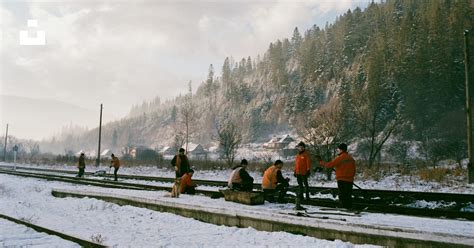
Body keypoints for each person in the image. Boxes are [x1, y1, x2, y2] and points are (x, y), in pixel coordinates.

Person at [318, 143, 356, 209]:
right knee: (348, 195)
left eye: (338, 149)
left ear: (341, 149)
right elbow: (354, 169)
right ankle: (349, 207)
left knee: (342, 195)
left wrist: (321, 162)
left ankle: (342, 207)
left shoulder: (340, 158)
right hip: (350, 179)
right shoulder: (351, 158)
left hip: (342, 179)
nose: (338, 150)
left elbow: (329, 165)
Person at [294, 141, 311, 210]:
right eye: (299, 147)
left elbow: (308, 163)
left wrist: (308, 170)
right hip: (298, 172)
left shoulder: (306, 154)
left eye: (301, 147)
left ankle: (307, 196)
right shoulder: (298, 155)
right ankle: (301, 196)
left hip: (304, 172)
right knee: (300, 185)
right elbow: (296, 164)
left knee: (306, 184)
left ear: (304, 148)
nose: (300, 148)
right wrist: (295, 171)